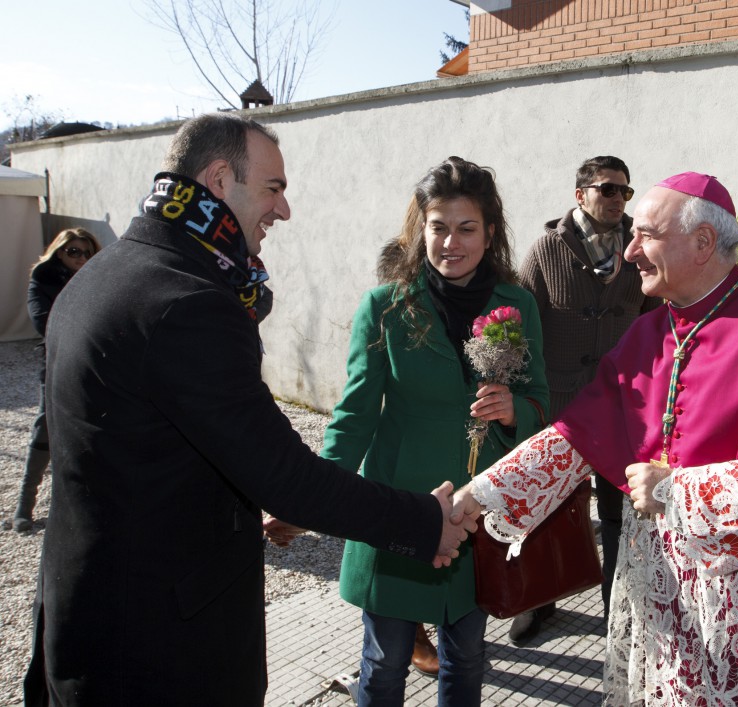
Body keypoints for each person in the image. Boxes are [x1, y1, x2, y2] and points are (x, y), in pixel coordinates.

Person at [23, 114, 477, 707]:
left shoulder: (105, 272)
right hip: (159, 647)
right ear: (218, 180)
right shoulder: (186, 303)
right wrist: (423, 522)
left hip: (84, 613)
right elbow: (283, 476)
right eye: (273, 188)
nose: (283, 210)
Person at [451, 172, 738, 705]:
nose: (630, 251)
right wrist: (476, 498)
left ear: (703, 243)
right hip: (672, 602)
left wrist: (673, 490)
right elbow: (578, 438)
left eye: (647, 236)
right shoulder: (648, 332)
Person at [319, 156, 548, 706]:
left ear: (490, 232)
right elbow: (355, 412)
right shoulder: (386, 307)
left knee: (467, 658)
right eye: (438, 227)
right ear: (420, 230)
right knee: (384, 661)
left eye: (466, 228)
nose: (451, 242)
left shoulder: (516, 304)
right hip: (400, 509)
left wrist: (515, 410)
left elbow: (542, 403)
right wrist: (315, 488)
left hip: (476, 515)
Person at [511, 155, 660, 644]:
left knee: (620, 511)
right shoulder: (545, 250)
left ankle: (618, 611)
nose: (618, 199)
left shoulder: (642, 249)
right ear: (581, 195)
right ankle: (539, 601)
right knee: (548, 506)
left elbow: (659, 322)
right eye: (607, 189)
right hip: (562, 403)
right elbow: (519, 326)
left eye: (625, 191)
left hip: (623, 407)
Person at [11, 228, 102, 533]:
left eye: (86, 252)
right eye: (74, 251)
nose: (81, 258)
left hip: (97, 363)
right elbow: (43, 320)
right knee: (44, 431)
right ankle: (23, 507)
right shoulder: (44, 278)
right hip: (59, 362)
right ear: (59, 251)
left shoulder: (99, 278)